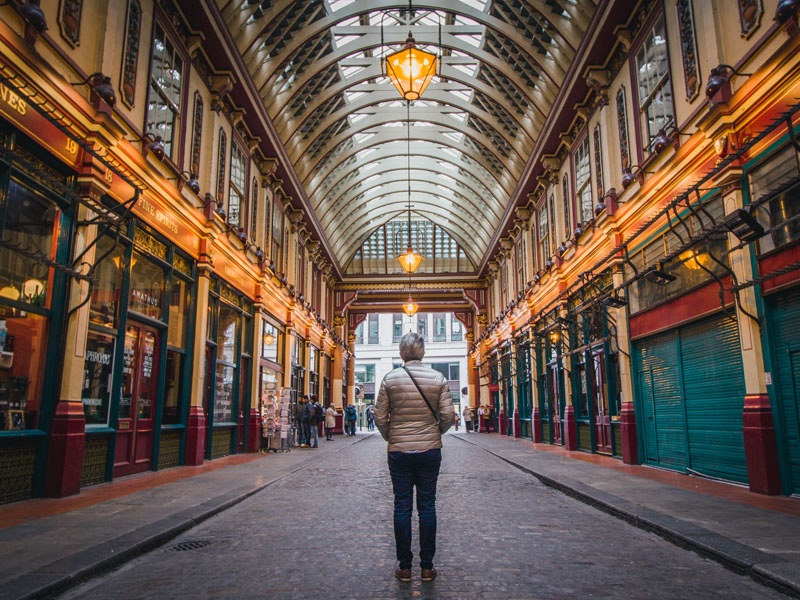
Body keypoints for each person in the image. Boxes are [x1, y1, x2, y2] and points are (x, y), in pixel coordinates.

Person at [374, 332, 454, 583]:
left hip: (399, 451)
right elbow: (449, 416)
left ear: (401, 353)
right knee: (428, 506)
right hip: (430, 450)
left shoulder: (390, 379)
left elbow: (379, 416)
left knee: (402, 506)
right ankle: (428, 567)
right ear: (423, 353)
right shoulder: (438, 378)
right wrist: (434, 433)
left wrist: (392, 436)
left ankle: (405, 567)